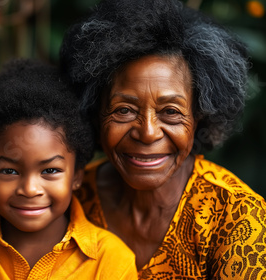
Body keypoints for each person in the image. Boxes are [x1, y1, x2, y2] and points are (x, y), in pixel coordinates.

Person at [59, 0, 266, 278]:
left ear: (199, 115)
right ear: (95, 112)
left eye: (170, 112)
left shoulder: (238, 217)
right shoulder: (69, 199)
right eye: (124, 110)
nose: (147, 132)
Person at [0, 59, 138, 280]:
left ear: (77, 176)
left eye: (50, 171)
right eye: (9, 171)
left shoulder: (112, 262)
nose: (30, 189)